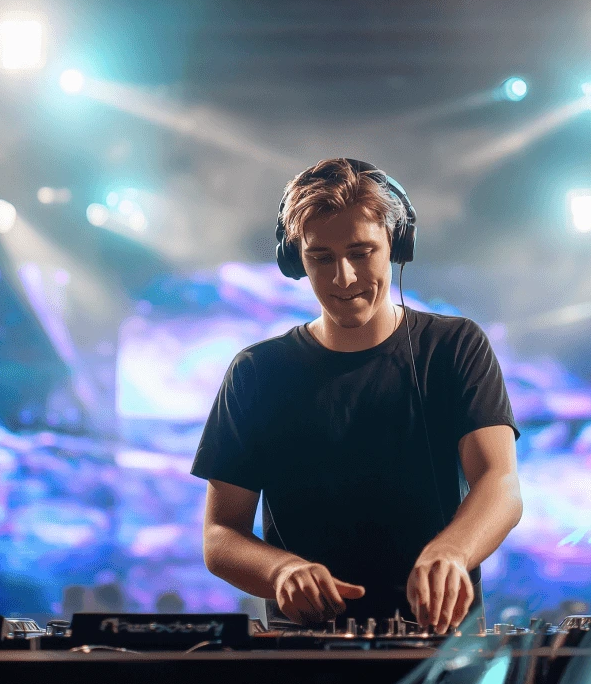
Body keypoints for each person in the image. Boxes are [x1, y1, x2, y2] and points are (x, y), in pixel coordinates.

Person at [194, 158, 523, 633]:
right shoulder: (256, 372)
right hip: (303, 652)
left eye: (361, 252)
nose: (343, 278)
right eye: (321, 258)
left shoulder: (454, 347)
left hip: (441, 645)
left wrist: (453, 551)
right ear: (296, 260)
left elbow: (500, 482)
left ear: (396, 245)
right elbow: (220, 535)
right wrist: (280, 571)